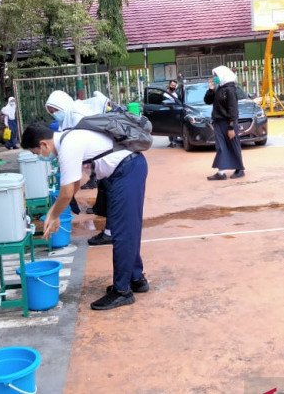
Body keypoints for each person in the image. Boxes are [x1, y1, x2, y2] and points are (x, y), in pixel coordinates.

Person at [21, 122, 149, 310]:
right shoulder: (69, 138)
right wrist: (56, 209)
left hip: (127, 170)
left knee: (123, 231)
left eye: (36, 153)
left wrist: (54, 215)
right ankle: (136, 278)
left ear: (44, 144)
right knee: (127, 228)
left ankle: (122, 291)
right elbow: (80, 179)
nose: (40, 157)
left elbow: (66, 193)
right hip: (125, 170)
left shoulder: (68, 147)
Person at [204, 65, 245, 180]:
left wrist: (231, 126)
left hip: (228, 123)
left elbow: (233, 109)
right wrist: (211, 89)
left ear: (223, 75)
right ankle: (221, 173)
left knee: (233, 145)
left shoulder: (230, 89)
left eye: (216, 75)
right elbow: (207, 101)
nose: (214, 78)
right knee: (220, 147)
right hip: (218, 122)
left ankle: (240, 169)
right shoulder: (219, 88)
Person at [165, 79, 180, 147]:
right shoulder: (165, 93)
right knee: (168, 128)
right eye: (172, 85)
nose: (173, 87)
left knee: (174, 128)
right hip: (166, 113)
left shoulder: (175, 95)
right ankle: (171, 141)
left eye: (174, 86)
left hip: (174, 113)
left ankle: (174, 142)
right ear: (169, 85)